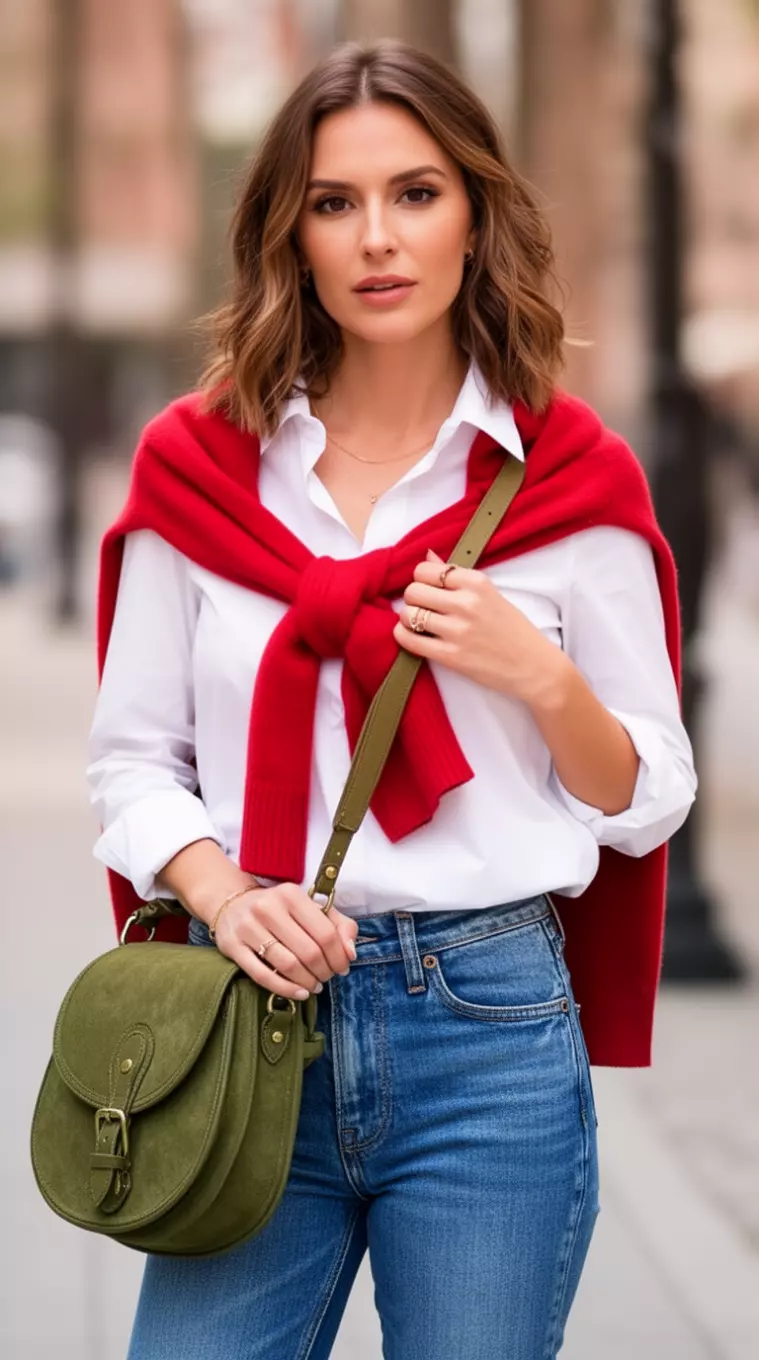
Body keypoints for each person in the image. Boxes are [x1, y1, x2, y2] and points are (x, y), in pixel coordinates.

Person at [88, 39, 696, 1360]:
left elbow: (646, 794)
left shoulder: (565, 475)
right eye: (333, 200)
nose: (377, 237)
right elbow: (132, 764)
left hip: (485, 1036)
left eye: (416, 194)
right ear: (286, 234)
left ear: (475, 218)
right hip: (246, 1018)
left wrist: (539, 679)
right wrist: (227, 895)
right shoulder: (196, 468)